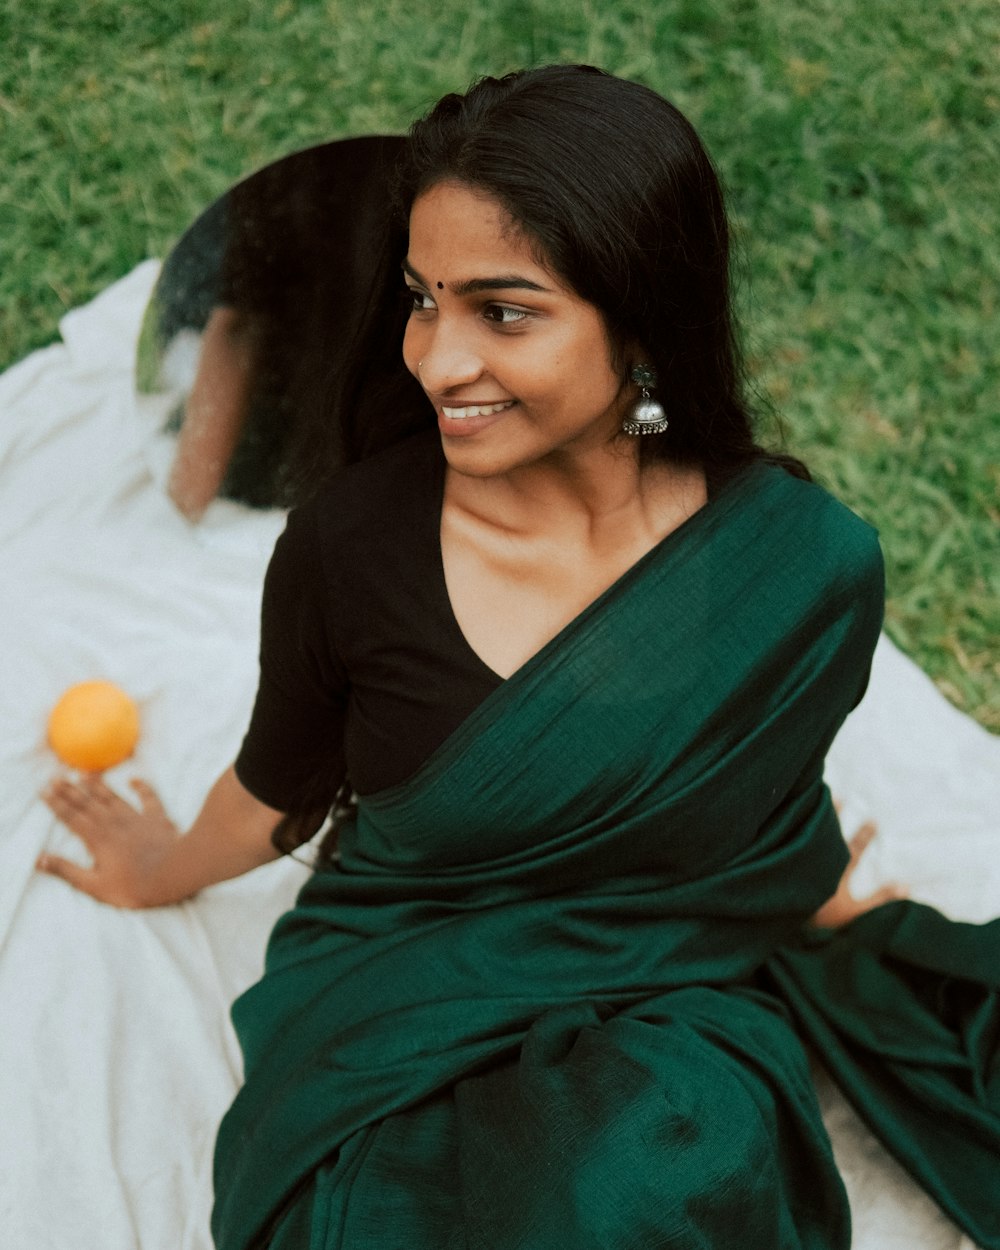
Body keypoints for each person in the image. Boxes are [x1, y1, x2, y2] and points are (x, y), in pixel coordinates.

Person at [38, 66, 999, 1250]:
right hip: (401, 1000)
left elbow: (755, 788)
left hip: (669, 1001)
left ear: (642, 318)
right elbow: (280, 788)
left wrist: (806, 888)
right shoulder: (350, 547)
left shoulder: (798, 567)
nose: (437, 360)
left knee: (635, 1187)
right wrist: (162, 866)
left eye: (503, 311)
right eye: (421, 297)